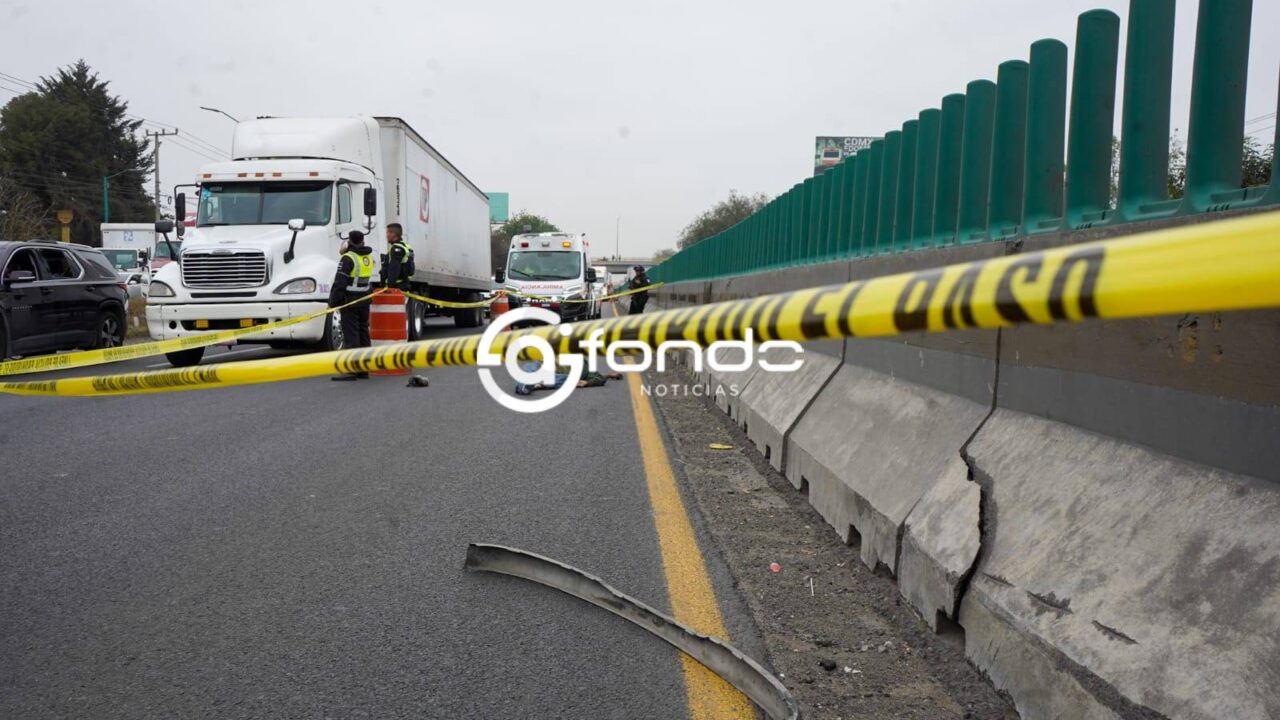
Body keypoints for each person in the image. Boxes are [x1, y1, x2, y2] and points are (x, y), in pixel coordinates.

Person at [329, 230, 376, 381]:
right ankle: (363, 370)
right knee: (363, 335)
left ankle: (351, 370)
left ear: (349, 241)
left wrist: (332, 303)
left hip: (350, 303)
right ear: (362, 241)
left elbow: (339, 283)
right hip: (364, 301)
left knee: (351, 337)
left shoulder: (348, 258)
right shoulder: (368, 257)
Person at [382, 223, 414, 290]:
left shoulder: (396, 249)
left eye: (388, 233)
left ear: (393, 234)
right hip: (404, 284)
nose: (386, 235)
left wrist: (390, 286)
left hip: (396, 287)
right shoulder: (406, 246)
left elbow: (394, 269)